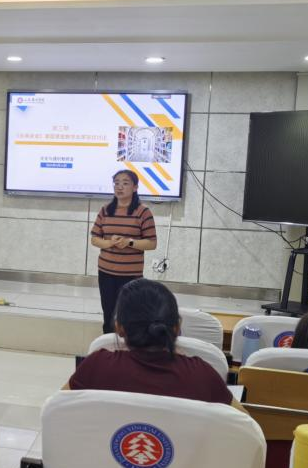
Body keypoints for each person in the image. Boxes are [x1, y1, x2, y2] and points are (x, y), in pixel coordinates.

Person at [65, 279, 242, 409]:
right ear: (177, 328)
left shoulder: (96, 366)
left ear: (119, 328)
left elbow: (57, 412)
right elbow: (247, 429)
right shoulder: (203, 376)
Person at [91, 170, 157, 334]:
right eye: (116, 183)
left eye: (125, 183)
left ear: (135, 187)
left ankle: (129, 347)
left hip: (130, 275)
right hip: (106, 272)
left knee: (129, 315)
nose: (119, 187)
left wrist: (130, 242)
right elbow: (95, 239)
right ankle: (109, 344)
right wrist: (109, 243)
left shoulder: (143, 212)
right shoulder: (106, 210)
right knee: (108, 314)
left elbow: (151, 243)